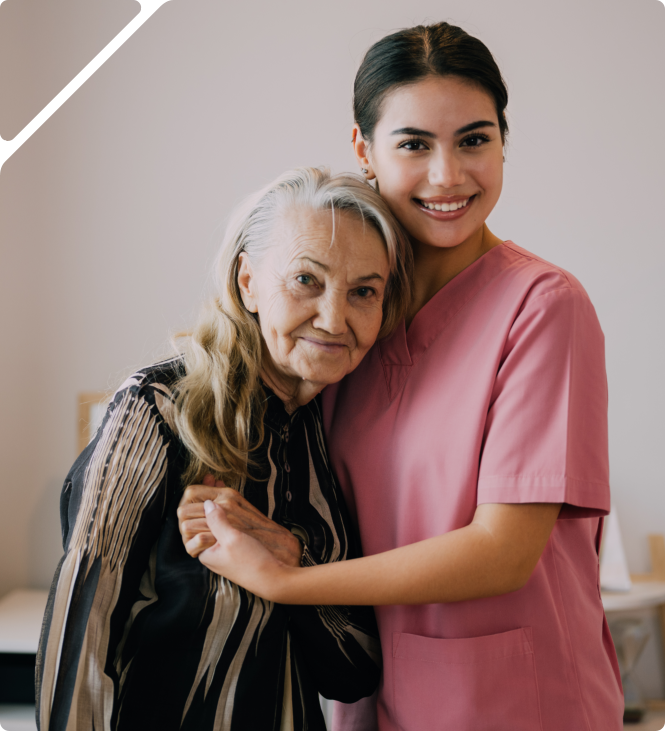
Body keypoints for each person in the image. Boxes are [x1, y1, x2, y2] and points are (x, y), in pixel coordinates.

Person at [185, 22, 624, 731]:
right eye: (414, 144)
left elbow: (502, 551)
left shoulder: (543, 308)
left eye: (473, 140)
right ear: (363, 149)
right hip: (368, 691)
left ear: (502, 144)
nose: (447, 175)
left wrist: (288, 582)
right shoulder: (350, 319)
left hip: (513, 700)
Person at [35, 167, 412, 731]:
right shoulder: (157, 407)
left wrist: (289, 559)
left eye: (364, 292)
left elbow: (353, 670)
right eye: (306, 280)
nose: (335, 319)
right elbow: (78, 636)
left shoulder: (331, 433)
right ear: (248, 281)